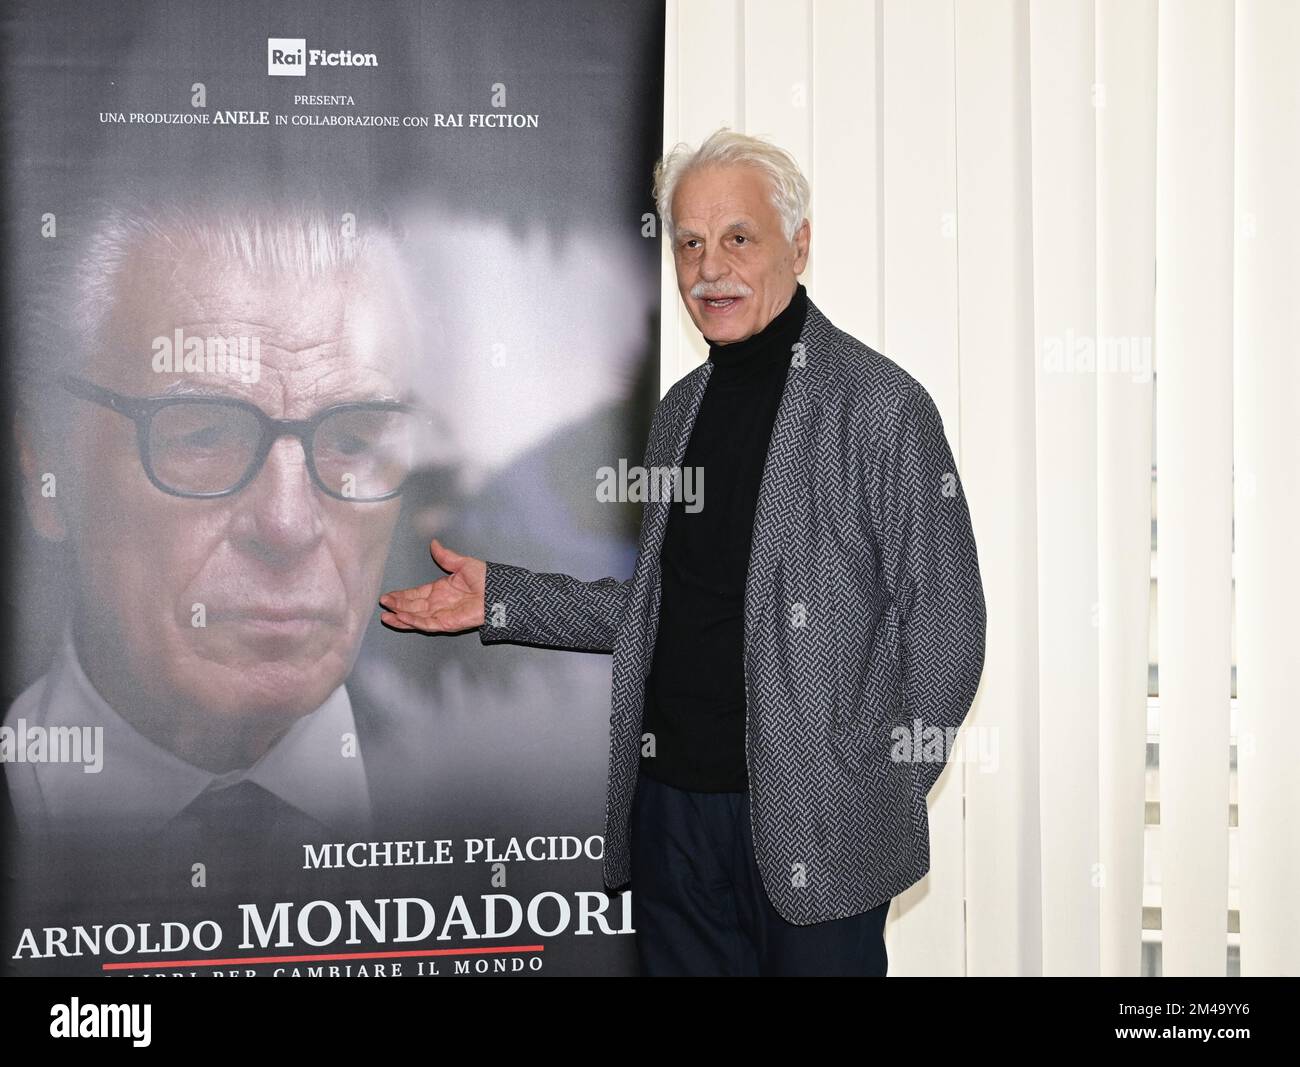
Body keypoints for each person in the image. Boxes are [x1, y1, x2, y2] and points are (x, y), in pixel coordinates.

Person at [379, 127, 987, 976]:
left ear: (799, 244)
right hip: (671, 821)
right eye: (690, 242)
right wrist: (504, 598)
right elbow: (660, 608)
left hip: (818, 829)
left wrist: (867, 791)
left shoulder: (882, 406)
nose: (709, 267)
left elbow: (950, 631)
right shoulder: (679, 411)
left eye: (739, 237)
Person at [4, 200, 428, 846]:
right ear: (46, 471)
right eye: (203, 435)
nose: (287, 525)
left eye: (351, 440)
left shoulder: (518, 804)